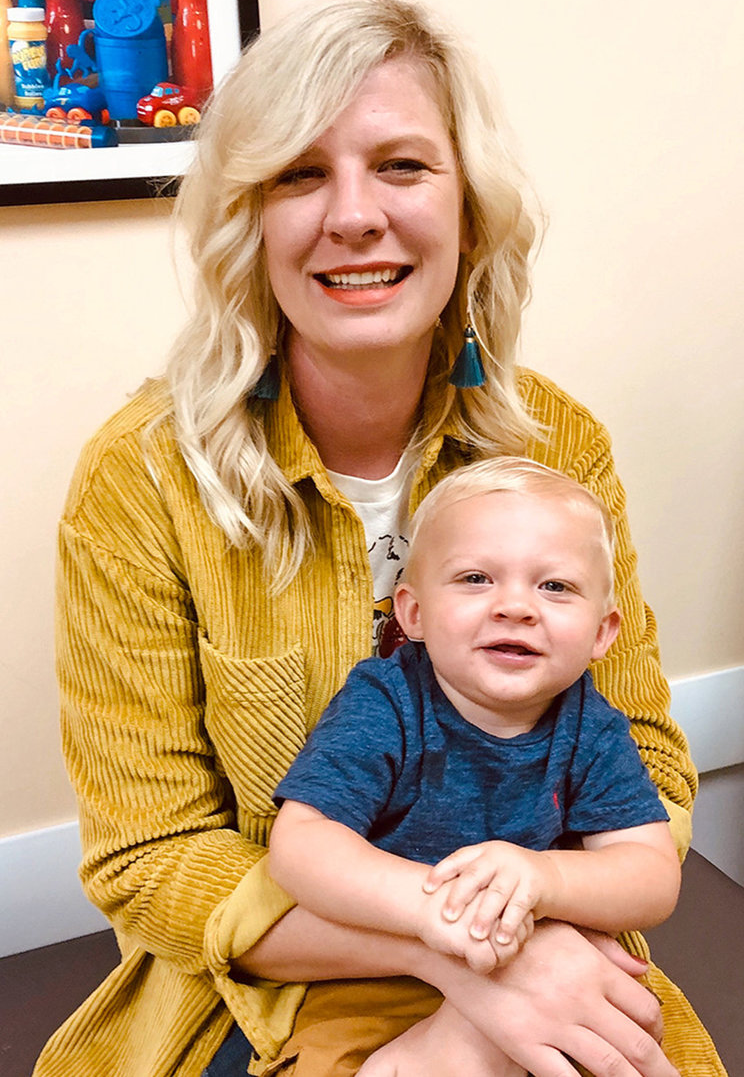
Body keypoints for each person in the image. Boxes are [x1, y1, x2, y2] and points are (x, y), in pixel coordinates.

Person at [33, 0, 725, 1077]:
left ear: (471, 209)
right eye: (300, 174)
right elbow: (156, 861)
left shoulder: (561, 444)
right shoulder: (143, 478)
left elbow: (643, 766)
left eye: (401, 165)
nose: (352, 215)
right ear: (250, 220)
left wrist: (533, 917)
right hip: (277, 981)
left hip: (553, 941)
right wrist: (466, 956)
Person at [267, 457, 682, 1075]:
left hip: (533, 957)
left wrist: (544, 878)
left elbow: (651, 876)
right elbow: (300, 846)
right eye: (475, 579)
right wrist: (437, 913)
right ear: (411, 614)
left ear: (602, 633)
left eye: (555, 587)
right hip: (373, 969)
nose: (516, 606)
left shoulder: (592, 729)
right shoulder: (386, 704)